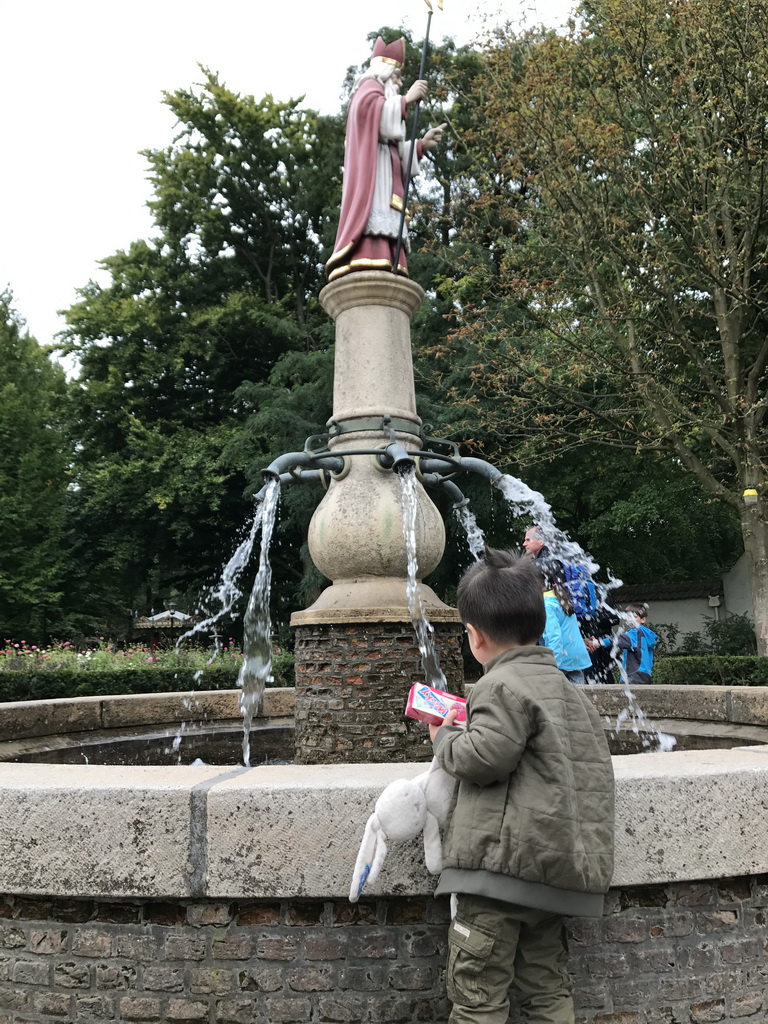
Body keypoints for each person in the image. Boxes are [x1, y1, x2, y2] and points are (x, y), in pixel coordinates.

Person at [429, 547, 615, 1024]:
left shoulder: (498, 686)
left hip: (500, 875)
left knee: (478, 995)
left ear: (475, 636)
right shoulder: (571, 694)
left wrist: (446, 736)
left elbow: (484, 758)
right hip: (554, 876)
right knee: (546, 990)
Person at [325, 36, 445, 281]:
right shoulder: (368, 88)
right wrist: (406, 100)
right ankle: (369, 254)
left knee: (386, 216)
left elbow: (393, 148)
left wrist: (421, 144)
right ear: (385, 71)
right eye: (397, 76)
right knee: (374, 214)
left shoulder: (382, 95)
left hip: (384, 173)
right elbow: (372, 115)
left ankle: (387, 256)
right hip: (371, 177)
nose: (400, 83)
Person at [586, 603, 658, 685]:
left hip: (633, 674)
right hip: (645, 674)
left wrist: (598, 642)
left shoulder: (635, 632)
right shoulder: (646, 635)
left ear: (643, 619)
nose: (631, 620)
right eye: (628, 617)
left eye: (634, 617)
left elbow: (617, 639)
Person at [541, 573, 593, 685]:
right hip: (577, 657)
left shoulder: (547, 605)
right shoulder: (561, 600)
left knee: (554, 695)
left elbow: (554, 636)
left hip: (561, 658)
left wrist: (552, 664)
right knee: (579, 697)